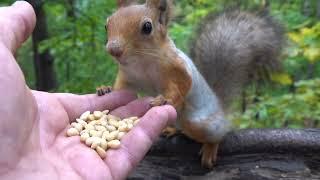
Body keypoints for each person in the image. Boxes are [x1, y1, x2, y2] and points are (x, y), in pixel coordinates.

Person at [0, 1, 176, 179]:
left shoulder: (167, 58)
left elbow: (180, 86)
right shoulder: (131, 65)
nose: (111, 48)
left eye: (145, 28)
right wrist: (111, 93)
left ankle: (205, 140)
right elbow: (126, 90)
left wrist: (167, 98)